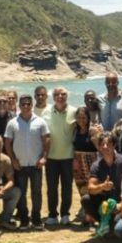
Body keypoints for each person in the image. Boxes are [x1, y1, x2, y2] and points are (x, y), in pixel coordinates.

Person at [5, 94, 50, 230]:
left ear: (32, 105)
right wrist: (13, 160)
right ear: (19, 106)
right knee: (21, 194)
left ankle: (36, 219)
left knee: (36, 193)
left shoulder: (40, 121)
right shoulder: (12, 123)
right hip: (20, 165)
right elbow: (7, 143)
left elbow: (47, 140)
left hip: (36, 164)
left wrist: (44, 157)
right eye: (23, 104)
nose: (25, 106)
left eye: (28, 104)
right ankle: (24, 220)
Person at [82, 132, 122, 233]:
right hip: (106, 204)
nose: (105, 147)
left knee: (118, 230)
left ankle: (113, 224)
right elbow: (90, 188)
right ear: (99, 147)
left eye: (108, 144)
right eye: (102, 144)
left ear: (114, 145)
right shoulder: (96, 165)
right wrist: (102, 187)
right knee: (86, 199)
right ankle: (104, 223)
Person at [45, 87, 76, 226]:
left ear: (67, 96)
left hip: (68, 157)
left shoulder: (74, 111)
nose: (60, 96)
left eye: (63, 94)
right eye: (57, 94)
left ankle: (65, 214)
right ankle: (52, 214)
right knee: (51, 188)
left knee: (67, 188)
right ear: (53, 97)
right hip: (51, 157)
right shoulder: (46, 112)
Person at [71, 106, 102, 223]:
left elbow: (100, 149)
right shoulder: (75, 129)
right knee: (81, 189)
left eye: (84, 117)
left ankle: (92, 216)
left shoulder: (93, 130)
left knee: (92, 190)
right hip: (78, 164)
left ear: (88, 118)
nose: (81, 120)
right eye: (79, 117)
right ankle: (87, 213)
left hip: (91, 163)